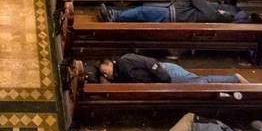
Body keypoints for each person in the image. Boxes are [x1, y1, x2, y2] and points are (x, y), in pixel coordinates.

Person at [97, 53, 244, 84]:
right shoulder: (118, 76)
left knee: (201, 83)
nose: (106, 74)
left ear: (110, 63)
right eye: (104, 74)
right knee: (200, 83)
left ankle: (235, 79)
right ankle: (233, 80)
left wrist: (164, 78)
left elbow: (150, 62)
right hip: (163, 79)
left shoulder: (124, 60)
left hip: (167, 72)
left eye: (105, 70)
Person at [97, 0, 246, 24]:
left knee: (143, 11)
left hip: (174, 15)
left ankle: (113, 16)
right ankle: (115, 13)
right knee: (143, 8)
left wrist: (209, 5)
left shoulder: (212, 14)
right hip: (174, 13)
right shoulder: (213, 12)